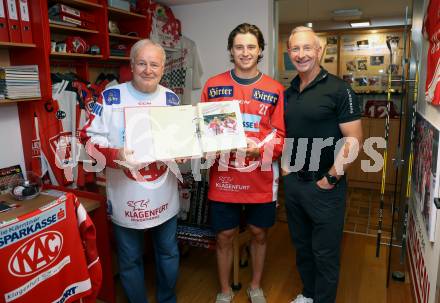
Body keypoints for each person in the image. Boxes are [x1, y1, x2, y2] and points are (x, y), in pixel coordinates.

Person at [81, 39, 181, 303]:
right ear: (132, 66)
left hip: (164, 195)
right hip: (127, 198)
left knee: (169, 252)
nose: (148, 70)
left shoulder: (171, 99)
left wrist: (182, 152)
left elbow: (178, 141)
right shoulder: (110, 97)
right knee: (129, 259)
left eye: (154, 64)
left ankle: (167, 298)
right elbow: (86, 140)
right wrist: (115, 155)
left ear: (163, 68)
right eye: (142, 63)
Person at [201, 23, 285, 303]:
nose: (245, 52)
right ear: (231, 50)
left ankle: (256, 286)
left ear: (260, 50)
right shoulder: (213, 85)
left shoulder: (274, 89)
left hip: (260, 176)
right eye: (239, 47)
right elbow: (202, 131)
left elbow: (281, 136)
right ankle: (225, 291)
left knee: (259, 233)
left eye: (251, 46)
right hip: (224, 175)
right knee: (224, 234)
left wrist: (259, 152)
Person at [283, 26, 363, 303]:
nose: (301, 54)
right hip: (294, 185)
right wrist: (285, 169)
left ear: (319, 51)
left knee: (325, 253)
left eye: (307, 48)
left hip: (325, 187)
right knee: (303, 247)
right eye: (295, 49)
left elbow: (353, 141)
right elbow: (288, 134)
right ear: (289, 53)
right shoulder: (289, 92)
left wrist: (330, 178)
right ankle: (308, 294)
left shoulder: (340, 90)